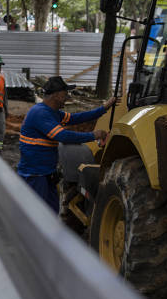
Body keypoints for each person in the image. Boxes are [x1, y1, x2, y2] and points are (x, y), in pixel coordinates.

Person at [17, 76, 115, 212]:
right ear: (56, 95)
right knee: (36, 215)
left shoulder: (53, 113)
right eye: (65, 93)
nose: (67, 96)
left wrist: (104, 108)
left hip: (46, 174)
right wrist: (93, 135)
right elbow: (63, 136)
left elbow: (76, 118)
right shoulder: (40, 113)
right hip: (35, 175)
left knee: (51, 212)